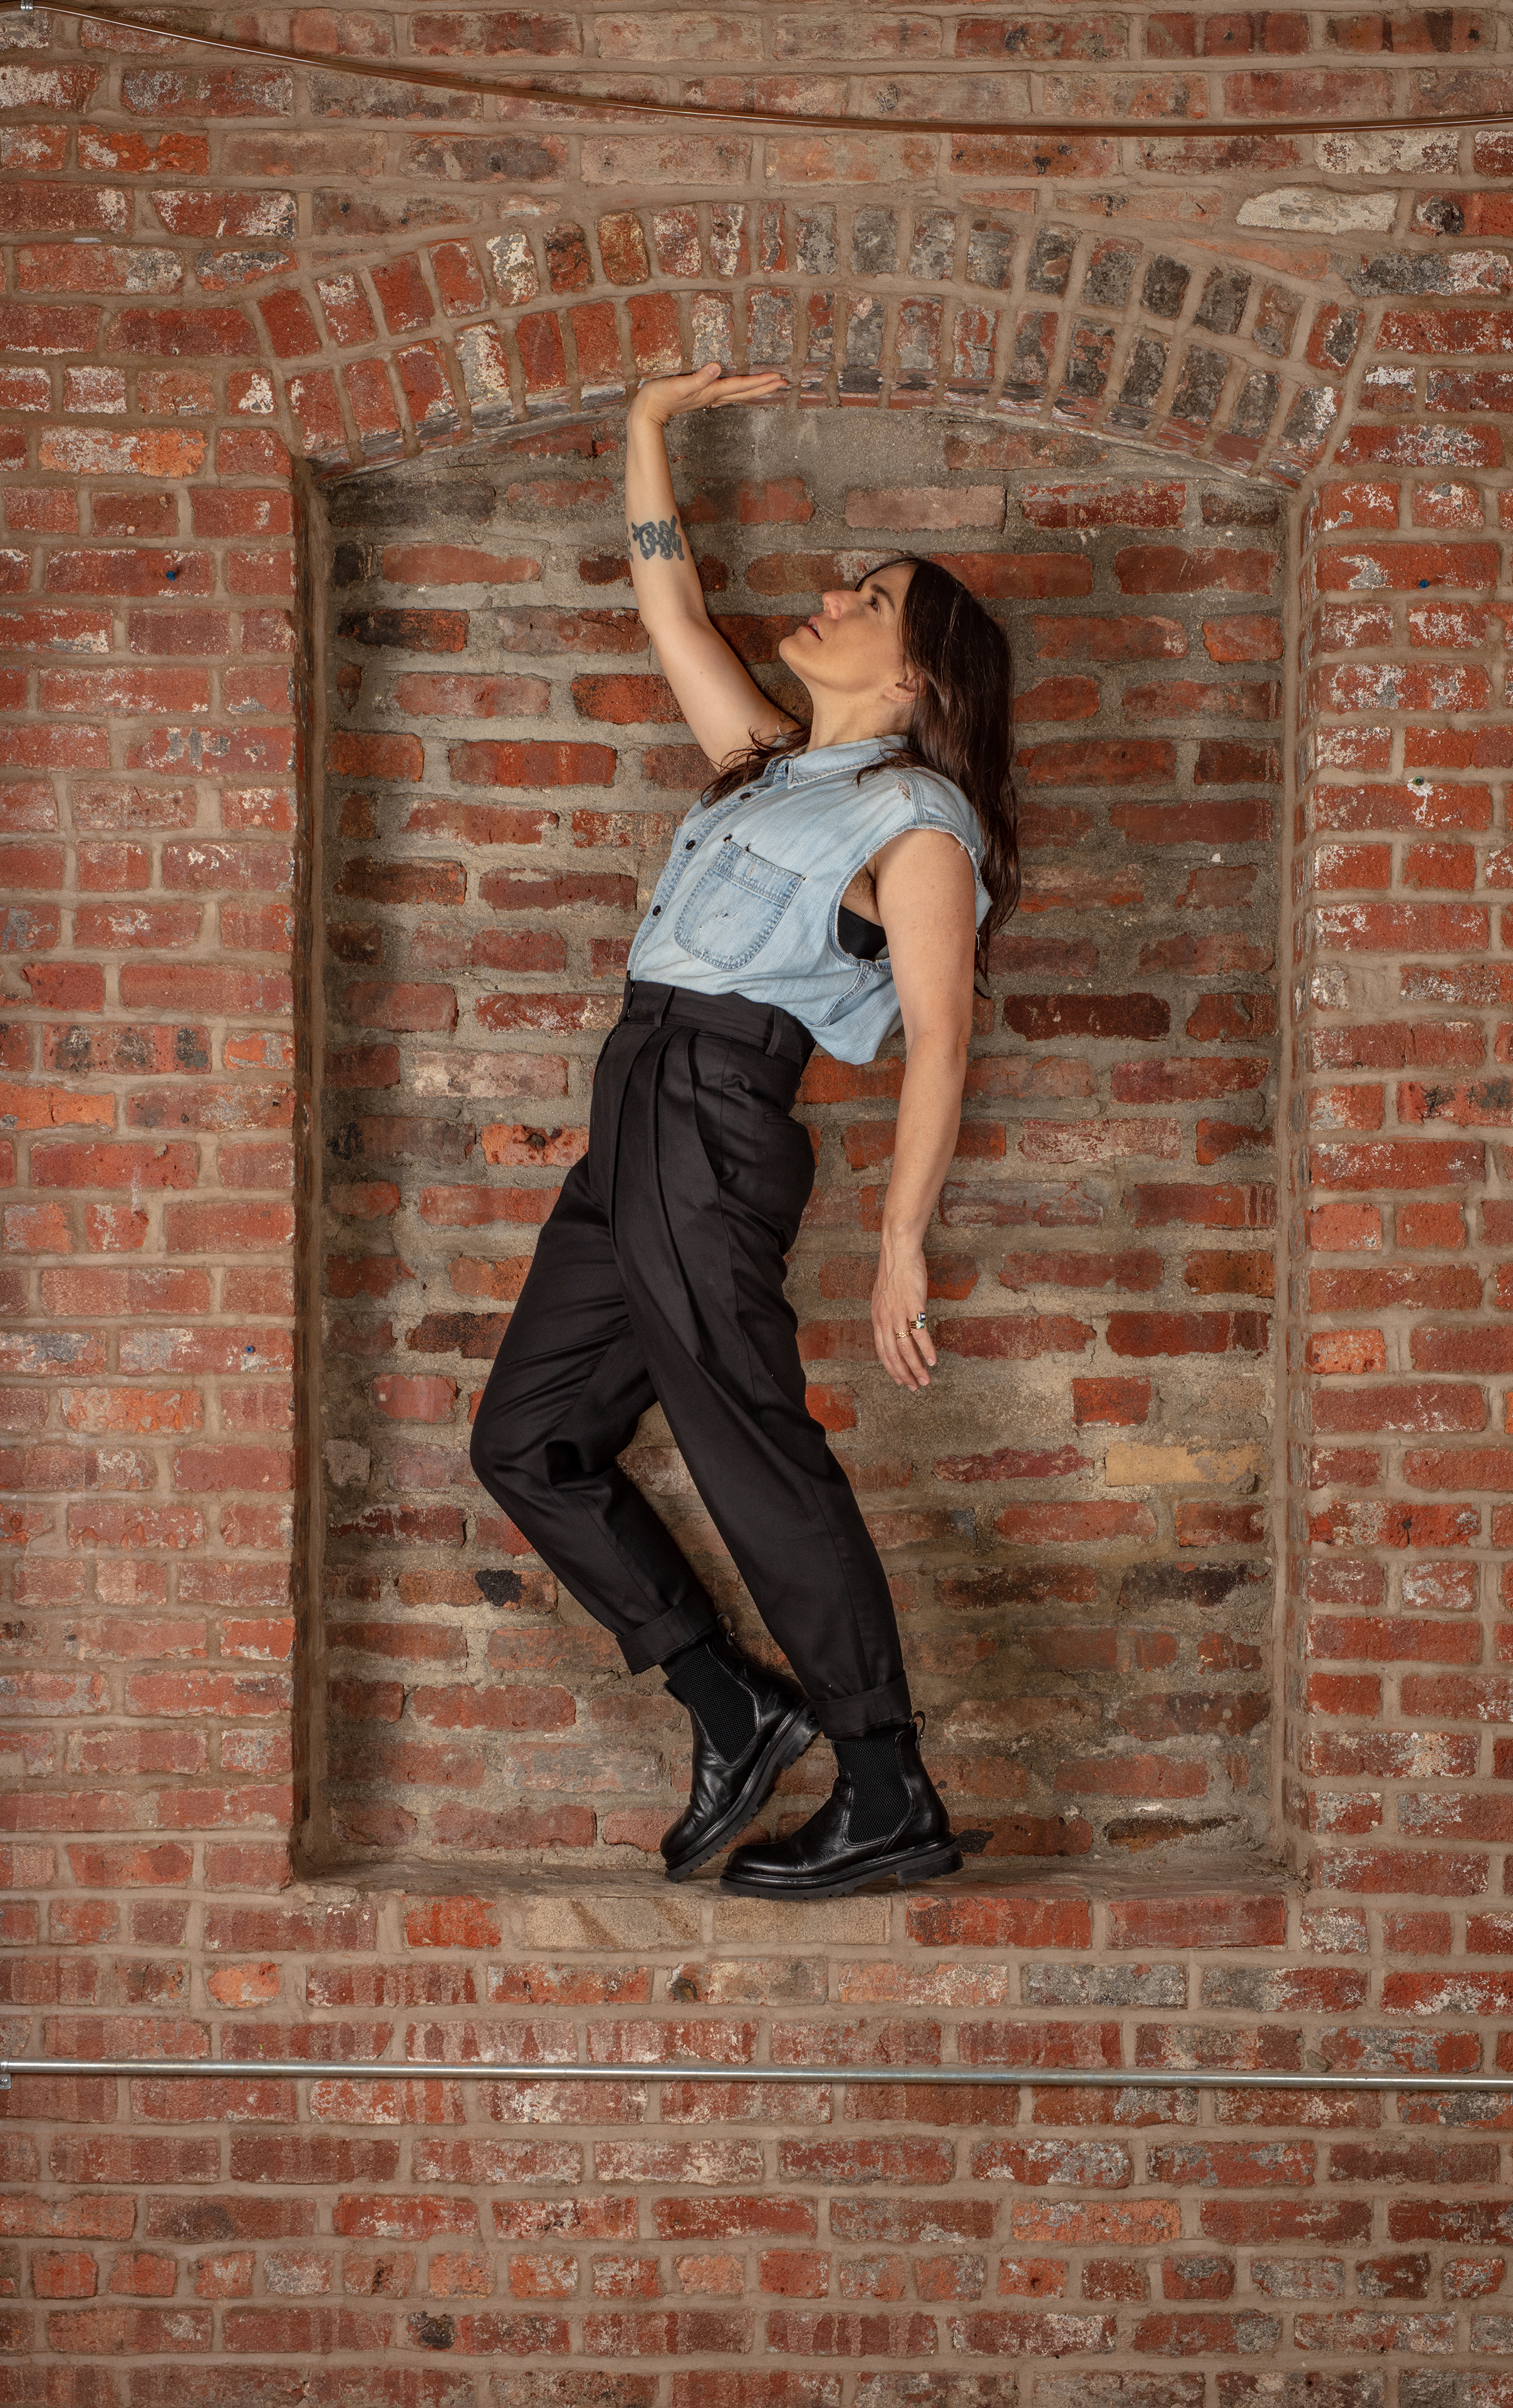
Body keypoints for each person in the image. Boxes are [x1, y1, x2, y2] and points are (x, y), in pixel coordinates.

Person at [469, 361, 1020, 1898]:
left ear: (915, 676)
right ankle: (734, 1702)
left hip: (712, 1118)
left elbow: (942, 1046)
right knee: (524, 1438)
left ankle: (892, 1784)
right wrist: (641, 427)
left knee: (757, 1456)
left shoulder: (915, 825)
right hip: (637, 1113)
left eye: (869, 595)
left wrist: (903, 1241)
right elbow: (674, 620)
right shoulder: (775, 767)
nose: (834, 596)